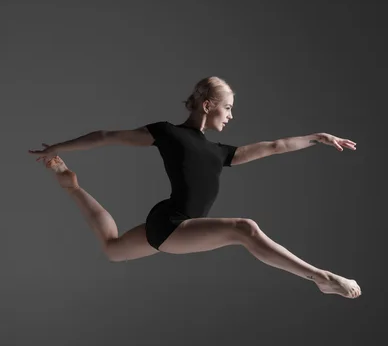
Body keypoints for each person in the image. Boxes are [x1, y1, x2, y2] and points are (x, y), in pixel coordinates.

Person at [28, 76, 361, 299]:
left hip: (171, 221)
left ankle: (70, 184)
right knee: (244, 229)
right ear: (207, 105)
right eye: (227, 107)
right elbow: (105, 136)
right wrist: (57, 146)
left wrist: (316, 138)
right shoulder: (167, 133)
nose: (231, 115)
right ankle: (320, 277)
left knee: (114, 248)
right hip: (173, 223)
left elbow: (275, 146)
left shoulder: (220, 153)